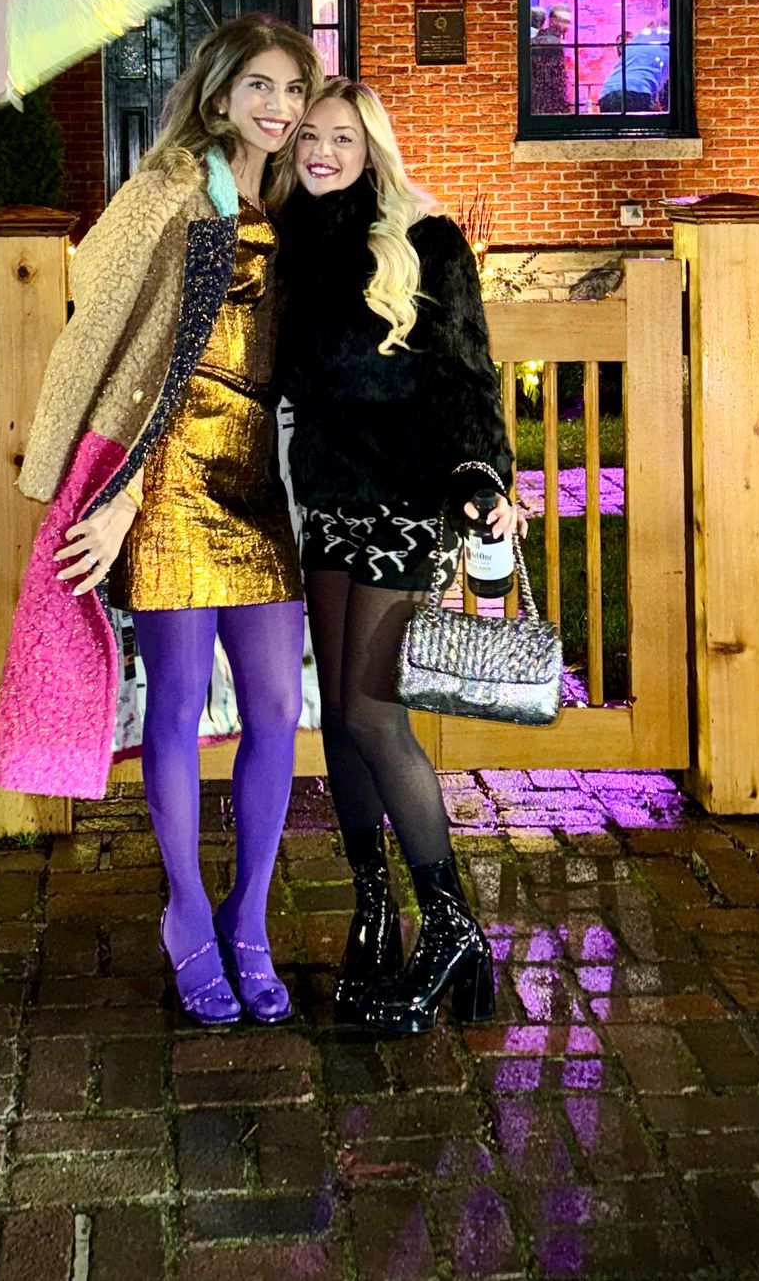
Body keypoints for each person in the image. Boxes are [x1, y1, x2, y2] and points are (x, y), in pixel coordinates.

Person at [0, 14, 321, 1026]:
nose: (279, 107)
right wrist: (117, 485)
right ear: (218, 96)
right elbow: (101, 301)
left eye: (293, 90)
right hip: (168, 478)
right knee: (174, 707)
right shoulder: (175, 184)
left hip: (257, 480)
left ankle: (248, 917)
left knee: (272, 709)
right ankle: (185, 914)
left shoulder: (292, 196)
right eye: (260, 87)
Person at [275, 82, 530, 1033]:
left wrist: (482, 476)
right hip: (328, 497)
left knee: (379, 721)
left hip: (404, 500)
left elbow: (465, 372)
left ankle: (454, 926)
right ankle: (374, 906)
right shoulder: (297, 244)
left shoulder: (426, 241)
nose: (324, 150)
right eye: (310, 137)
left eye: (343, 137)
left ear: (372, 148)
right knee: (337, 718)